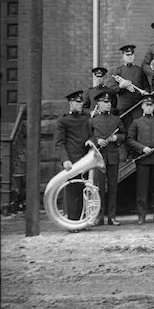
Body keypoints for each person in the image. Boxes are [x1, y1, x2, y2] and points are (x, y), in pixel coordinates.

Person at [127, 94, 154, 224]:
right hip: (143, 160)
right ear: (142, 106)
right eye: (147, 105)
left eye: (151, 105)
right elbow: (129, 139)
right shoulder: (136, 122)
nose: (149, 108)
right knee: (142, 188)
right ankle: (141, 215)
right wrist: (142, 148)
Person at [54, 90, 92, 231]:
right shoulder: (63, 121)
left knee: (84, 192)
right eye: (77, 102)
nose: (80, 104)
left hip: (85, 160)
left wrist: (90, 140)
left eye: (81, 102)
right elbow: (59, 143)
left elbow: (92, 135)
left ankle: (83, 222)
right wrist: (65, 160)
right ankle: (72, 223)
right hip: (71, 162)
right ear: (71, 103)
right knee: (72, 193)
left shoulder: (85, 119)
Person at [89, 90, 126, 226]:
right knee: (98, 187)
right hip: (98, 157)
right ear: (98, 104)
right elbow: (88, 136)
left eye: (109, 102)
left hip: (113, 157)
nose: (108, 105)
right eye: (105, 103)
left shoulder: (116, 120)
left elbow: (124, 135)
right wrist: (97, 141)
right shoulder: (92, 120)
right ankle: (99, 216)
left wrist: (116, 138)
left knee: (112, 187)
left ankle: (112, 216)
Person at [107, 44, 149, 132]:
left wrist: (146, 92)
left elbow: (146, 86)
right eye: (127, 55)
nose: (130, 57)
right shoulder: (118, 71)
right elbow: (111, 90)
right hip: (124, 108)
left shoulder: (140, 70)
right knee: (124, 131)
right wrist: (120, 86)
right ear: (123, 56)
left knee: (138, 131)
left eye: (132, 55)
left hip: (137, 107)